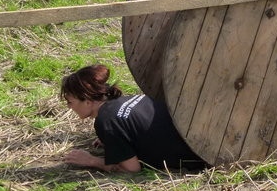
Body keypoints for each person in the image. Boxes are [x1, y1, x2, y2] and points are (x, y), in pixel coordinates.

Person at [61, 64, 206, 172]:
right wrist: (114, 141)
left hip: (196, 162)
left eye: (70, 102)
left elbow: (131, 169)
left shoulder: (106, 121)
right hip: (202, 145)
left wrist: (91, 160)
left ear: (87, 101)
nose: (69, 107)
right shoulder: (127, 99)